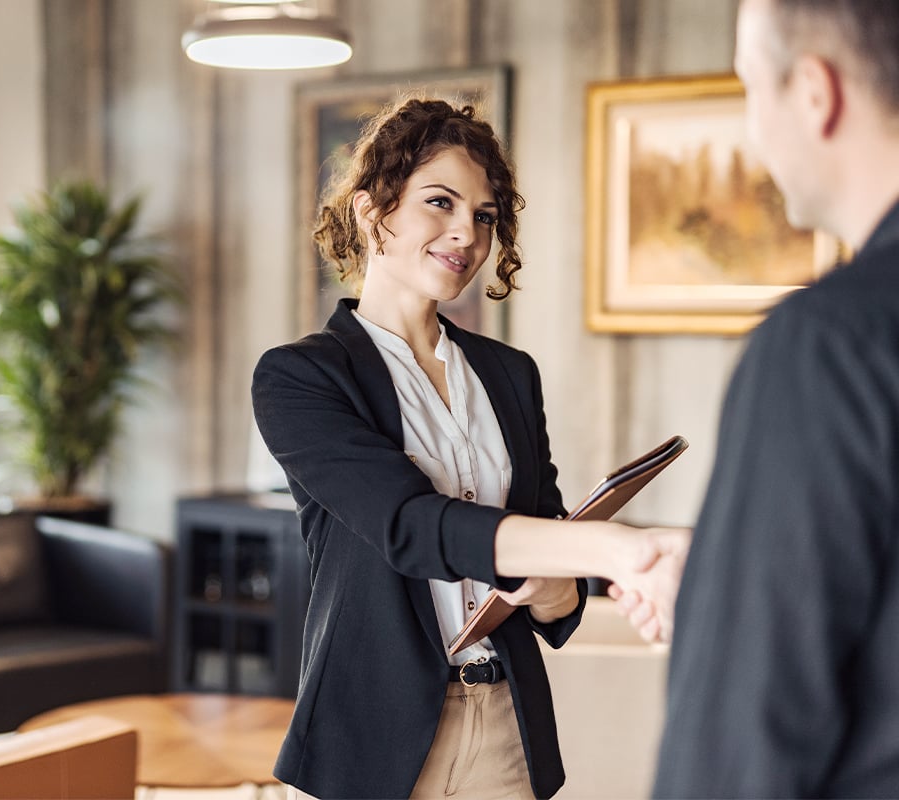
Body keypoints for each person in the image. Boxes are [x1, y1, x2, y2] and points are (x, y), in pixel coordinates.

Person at [252, 96, 689, 800]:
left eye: (484, 216)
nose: (466, 233)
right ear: (372, 212)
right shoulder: (300, 376)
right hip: (372, 728)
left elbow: (549, 538)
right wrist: (624, 551)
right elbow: (411, 526)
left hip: (504, 722)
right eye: (439, 202)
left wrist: (556, 590)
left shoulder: (509, 374)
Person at [643, 0, 899, 796]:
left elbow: (741, 737)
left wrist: (734, 610)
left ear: (816, 94)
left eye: (752, 88)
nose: (755, 132)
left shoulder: (829, 344)